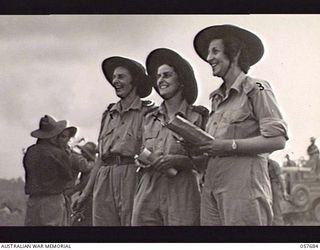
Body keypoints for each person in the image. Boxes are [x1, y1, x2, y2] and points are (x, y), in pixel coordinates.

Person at [193, 24, 288, 225]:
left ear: (234, 53)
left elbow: (278, 140)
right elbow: (214, 146)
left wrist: (228, 146)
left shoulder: (257, 88)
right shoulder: (216, 99)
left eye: (215, 51)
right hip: (211, 190)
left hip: (243, 193)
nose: (209, 58)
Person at [131, 48, 208, 226]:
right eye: (158, 77)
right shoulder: (149, 118)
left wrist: (178, 160)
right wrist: (142, 159)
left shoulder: (198, 116)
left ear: (180, 80)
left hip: (182, 190)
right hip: (148, 189)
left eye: (167, 75)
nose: (160, 81)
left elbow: (208, 160)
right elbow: (140, 150)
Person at [72, 56, 153, 226]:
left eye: (121, 77)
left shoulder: (147, 112)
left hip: (131, 176)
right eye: (114, 77)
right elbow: (100, 158)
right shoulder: (108, 114)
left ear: (135, 81)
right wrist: (85, 194)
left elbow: (150, 154)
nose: (115, 81)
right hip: (104, 178)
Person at [23, 115, 76, 226]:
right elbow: (68, 176)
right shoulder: (58, 153)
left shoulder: (31, 151)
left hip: (33, 201)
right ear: (52, 136)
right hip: (52, 201)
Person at [71, 142, 98, 226]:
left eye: (83, 152)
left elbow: (84, 184)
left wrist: (71, 190)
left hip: (89, 198)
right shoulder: (92, 165)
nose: (81, 154)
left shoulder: (91, 166)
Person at [268, 157, 289, 225]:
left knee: (276, 209)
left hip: (272, 187)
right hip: (269, 187)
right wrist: (284, 191)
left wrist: (284, 191)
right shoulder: (267, 164)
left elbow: (281, 178)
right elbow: (281, 178)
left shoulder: (272, 164)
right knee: (274, 210)